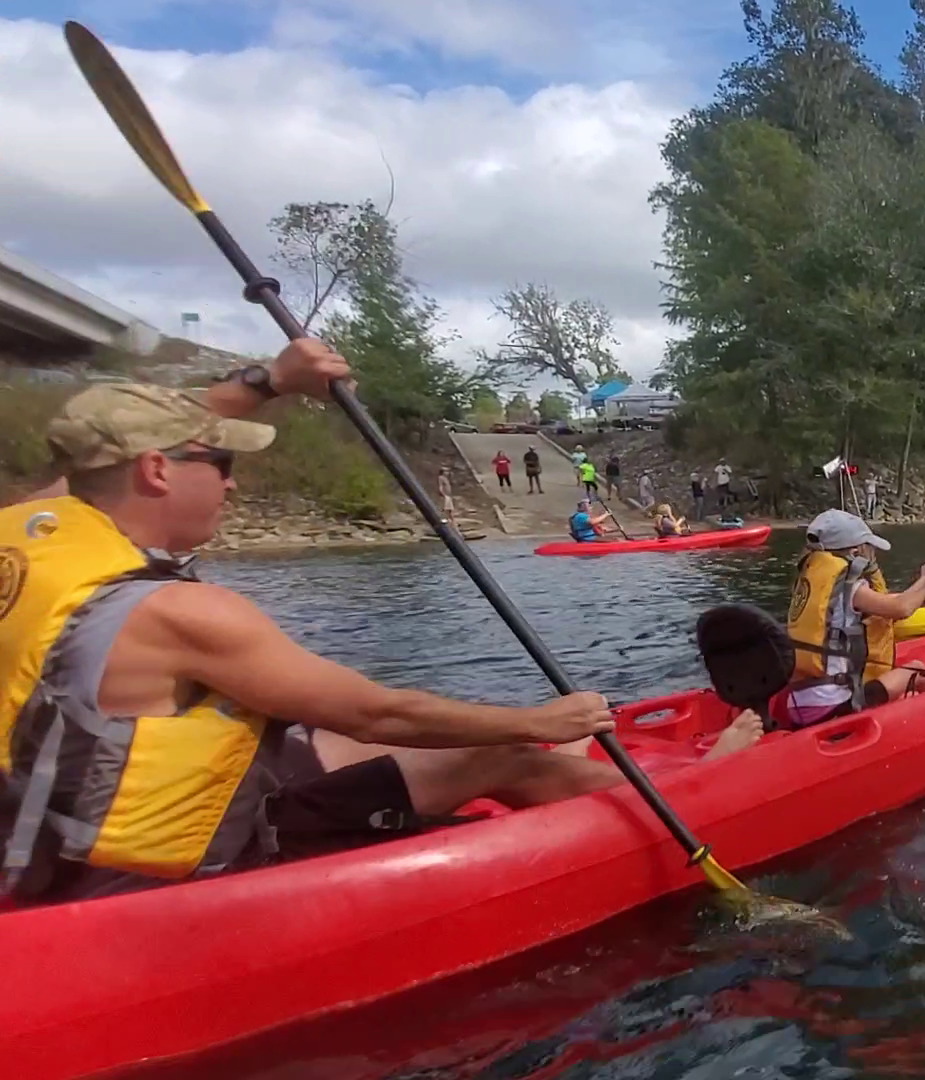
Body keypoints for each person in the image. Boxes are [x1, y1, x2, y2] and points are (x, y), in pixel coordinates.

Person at [0, 351, 726, 907]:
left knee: (344, 741)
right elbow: (380, 709)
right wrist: (546, 717)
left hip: (47, 838)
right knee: (507, 749)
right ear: (156, 472)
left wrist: (270, 379)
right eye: (220, 464)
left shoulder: (24, 538)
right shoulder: (182, 615)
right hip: (141, 884)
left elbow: (98, 455)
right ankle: (701, 814)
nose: (231, 482)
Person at [781, 510, 925, 727]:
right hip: (833, 706)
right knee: (917, 670)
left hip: (801, 704)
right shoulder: (852, 589)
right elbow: (901, 608)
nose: (872, 553)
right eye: (868, 547)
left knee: (902, 679)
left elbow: (899, 601)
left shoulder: (814, 582)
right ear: (855, 551)